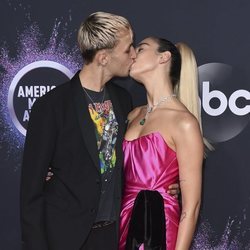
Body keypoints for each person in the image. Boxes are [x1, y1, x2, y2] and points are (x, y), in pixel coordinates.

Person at [20, 12, 179, 250]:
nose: (134, 54)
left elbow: (134, 158)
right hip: (64, 238)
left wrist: (166, 185)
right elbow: (30, 194)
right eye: (128, 50)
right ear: (104, 58)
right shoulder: (52, 106)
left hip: (113, 235)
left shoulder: (123, 100)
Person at [119, 37, 210, 250]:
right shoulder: (132, 114)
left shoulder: (184, 122)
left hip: (159, 228)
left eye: (141, 49)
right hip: (124, 222)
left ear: (164, 57)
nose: (133, 54)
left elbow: (192, 207)